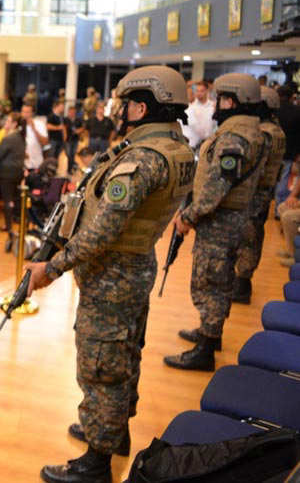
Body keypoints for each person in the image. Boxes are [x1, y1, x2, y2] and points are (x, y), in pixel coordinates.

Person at [25, 66, 194, 483]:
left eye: (123, 105)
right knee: (123, 357)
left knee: (101, 365)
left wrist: (52, 268)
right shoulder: (175, 149)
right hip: (134, 267)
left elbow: (102, 232)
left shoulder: (142, 159)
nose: (118, 112)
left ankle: (95, 463)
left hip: (112, 275)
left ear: (141, 107)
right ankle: (113, 432)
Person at [165, 73, 265, 371]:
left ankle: (206, 349)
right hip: (229, 219)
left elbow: (217, 187)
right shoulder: (247, 131)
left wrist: (188, 216)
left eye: (221, 98)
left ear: (231, 100)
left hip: (221, 223)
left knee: (210, 281)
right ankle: (210, 333)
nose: (217, 104)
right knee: (217, 281)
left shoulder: (235, 137)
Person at [233, 86, 286, 303]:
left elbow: (256, 167)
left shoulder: (264, 134)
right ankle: (243, 282)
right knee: (254, 234)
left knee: (249, 237)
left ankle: (242, 284)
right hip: (266, 191)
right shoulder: (277, 130)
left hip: (255, 193)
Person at [0, 112, 27, 234]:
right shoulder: (21, 137)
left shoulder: (8, 138)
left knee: (8, 200)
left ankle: (8, 226)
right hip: (18, 171)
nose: (5, 123)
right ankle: (18, 223)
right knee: (15, 199)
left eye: (8, 121)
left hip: (7, 173)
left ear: (14, 124)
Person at [182, 81, 216, 149]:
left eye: (202, 91)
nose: (199, 93)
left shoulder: (213, 106)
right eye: (197, 91)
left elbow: (214, 125)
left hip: (208, 143)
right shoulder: (191, 107)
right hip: (192, 144)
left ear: (207, 91)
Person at [21, 103, 47, 171]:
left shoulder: (40, 124)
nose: (25, 114)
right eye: (23, 112)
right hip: (21, 165)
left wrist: (34, 129)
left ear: (32, 113)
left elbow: (45, 142)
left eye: (27, 112)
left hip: (36, 164)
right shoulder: (17, 125)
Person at [64, 105, 85, 175]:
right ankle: (74, 166)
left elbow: (83, 128)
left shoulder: (78, 120)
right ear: (68, 112)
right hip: (68, 140)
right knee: (68, 154)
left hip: (75, 140)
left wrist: (78, 131)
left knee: (73, 154)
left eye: (73, 112)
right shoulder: (65, 120)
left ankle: (70, 169)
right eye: (71, 112)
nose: (72, 113)